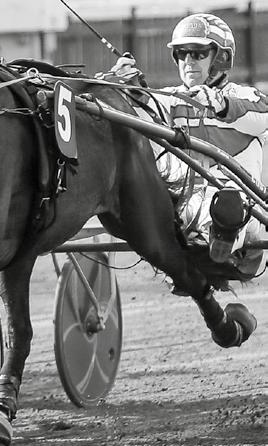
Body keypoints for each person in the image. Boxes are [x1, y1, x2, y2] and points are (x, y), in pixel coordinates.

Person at [110, 13, 268, 277]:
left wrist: (219, 104)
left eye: (197, 53)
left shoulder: (243, 96)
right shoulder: (170, 99)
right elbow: (145, 114)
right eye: (181, 54)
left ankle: (220, 235)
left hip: (243, 207)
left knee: (227, 204)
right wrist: (131, 89)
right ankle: (206, 239)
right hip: (187, 204)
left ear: (220, 57)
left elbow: (263, 115)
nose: (187, 61)